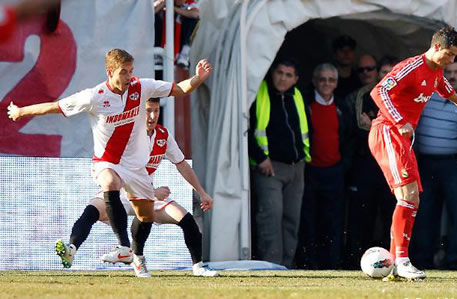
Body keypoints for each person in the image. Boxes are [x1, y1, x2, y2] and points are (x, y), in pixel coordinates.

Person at [7, 49, 212, 268]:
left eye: (131, 71)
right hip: (107, 162)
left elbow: (178, 89)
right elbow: (55, 107)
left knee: (146, 217)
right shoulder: (95, 96)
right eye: (124, 72)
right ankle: (121, 247)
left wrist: (198, 78)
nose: (129, 77)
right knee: (109, 183)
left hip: (136, 168)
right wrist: (21, 112)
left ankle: (134, 254)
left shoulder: (141, 88)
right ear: (110, 72)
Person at [54, 98, 218, 277]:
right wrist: (152, 192)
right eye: (148, 111)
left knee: (186, 220)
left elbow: (182, 164)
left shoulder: (163, 136)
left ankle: (197, 267)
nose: (153, 116)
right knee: (91, 211)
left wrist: (202, 193)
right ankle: (72, 248)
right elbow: (112, 169)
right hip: (121, 193)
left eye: (156, 110)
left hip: (147, 195)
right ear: (139, 112)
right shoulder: (125, 135)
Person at [367, 26, 457, 281]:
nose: (451, 60)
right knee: (408, 195)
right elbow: (378, 91)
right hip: (387, 132)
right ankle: (402, 260)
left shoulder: (436, 72)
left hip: (401, 138)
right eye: (449, 54)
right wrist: (398, 119)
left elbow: (443, 85)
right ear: (436, 46)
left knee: (411, 198)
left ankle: (394, 260)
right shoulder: (412, 66)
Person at [412, 55, 457, 270]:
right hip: (427, 163)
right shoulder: (430, 94)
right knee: (425, 213)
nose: (453, 76)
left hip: (455, 165)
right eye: (449, 72)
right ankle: (423, 260)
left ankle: (456, 261)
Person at [249, 57, 310, 268]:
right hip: (269, 168)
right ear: (272, 73)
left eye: (288, 75)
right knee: (270, 219)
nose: (283, 78)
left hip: (296, 167)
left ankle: (287, 265)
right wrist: (260, 158)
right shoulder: (258, 93)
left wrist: (304, 159)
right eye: (279, 73)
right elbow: (245, 131)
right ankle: (271, 265)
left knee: (292, 219)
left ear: (296, 79)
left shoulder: (298, 96)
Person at [295, 63, 353, 270]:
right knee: (309, 221)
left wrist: (343, 166)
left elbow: (349, 139)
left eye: (331, 80)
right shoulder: (306, 105)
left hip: (335, 172)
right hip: (310, 172)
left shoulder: (342, 107)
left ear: (336, 83)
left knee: (334, 222)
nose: (327, 84)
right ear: (315, 81)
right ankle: (309, 264)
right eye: (323, 79)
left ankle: (332, 263)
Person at [344, 55, 398, 269]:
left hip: (391, 165)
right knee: (361, 217)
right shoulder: (365, 95)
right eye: (383, 72)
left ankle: (393, 261)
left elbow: (406, 130)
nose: (387, 76)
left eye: (390, 72)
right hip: (366, 165)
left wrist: (373, 124)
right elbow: (358, 125)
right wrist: (382, 127)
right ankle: (355, 262)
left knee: (390, 216)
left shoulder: (404, 96)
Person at [332, 35, 361, 99]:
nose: (346, 53)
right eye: (342, 50)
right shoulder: (328, 80)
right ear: (335, 54)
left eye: (350, 50)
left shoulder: (359, 79)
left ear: (354, 54)